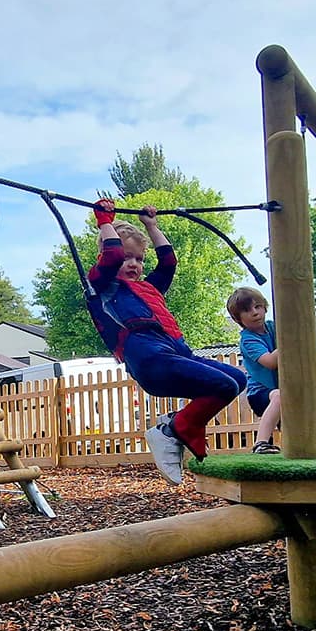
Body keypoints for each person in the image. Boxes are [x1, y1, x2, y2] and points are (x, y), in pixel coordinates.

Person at [88, 198, 246, 485]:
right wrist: (105, 222)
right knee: (224, 385)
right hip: (149, 357)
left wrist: (151, 225)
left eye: (138, 259)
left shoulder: (150, 287)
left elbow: (168, 262)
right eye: (127, 258)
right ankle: (174, 429)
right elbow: (110, 256)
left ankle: (174, 427)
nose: (133, 264)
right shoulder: (103, 286)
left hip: (176, 352)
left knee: (236, 378)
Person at [226, 287, 281, 454]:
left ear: (265, 307)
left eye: (258, 306)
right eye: (247, 310)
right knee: (279, 396)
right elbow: (271, 362)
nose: (255, 313)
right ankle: (261, 443)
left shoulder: (274, 327)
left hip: (281, 389)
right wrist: (289, 340)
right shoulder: (248, 340)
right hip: (260, 393)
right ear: (238, 319)